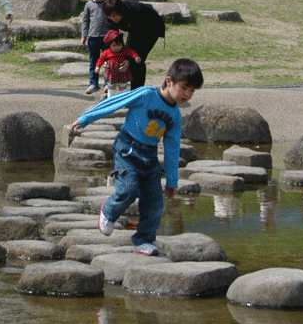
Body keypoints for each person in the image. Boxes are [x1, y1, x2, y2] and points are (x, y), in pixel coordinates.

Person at [70, 58, 203, 256]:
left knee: (155, 201)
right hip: (127, 148)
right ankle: (109, 210)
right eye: (184, 87)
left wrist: (172, 180)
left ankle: (143, 241)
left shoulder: (174, 115)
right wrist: (86, 118)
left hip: (149, 156)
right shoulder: (147, 94)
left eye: (192, 91)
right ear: (169, 81)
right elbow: (116, 101)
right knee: (129, 188)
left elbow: (172, 147)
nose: (187, 94)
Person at [102, 0, 165, 90]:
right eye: (110, 16)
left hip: (151, 27)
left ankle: (137, 92)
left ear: (121, 10)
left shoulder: (134, 12)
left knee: (136, 59)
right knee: (121, 56)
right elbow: (113, 38)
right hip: (134, 29)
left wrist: (127, 57)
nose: (113, 18)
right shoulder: (110, 18)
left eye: (115, 15)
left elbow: (137, 42)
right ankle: (114, 88)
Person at [81, 0, 111, 95]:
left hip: (107, 38)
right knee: (94, 61)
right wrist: (84, 35)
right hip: (92, 37)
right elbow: (85, 21)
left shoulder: (108, 3)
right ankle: (93, 83)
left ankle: (108, 83)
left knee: (108, 61)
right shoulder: (88, 5)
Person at [96, 29, 141, 97]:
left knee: (123, 88)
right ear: (109, 45)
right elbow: (100, 59)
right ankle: (110, 100)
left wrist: (136, 57)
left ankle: (124, 100)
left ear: (122, 44)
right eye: (114, 45)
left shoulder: (125, 50)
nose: (116, 47)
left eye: (119, 45)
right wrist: (97, 67)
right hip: (111, 73)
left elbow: (131, 52)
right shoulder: (107, 52)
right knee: (111, 88)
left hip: (122, 73)